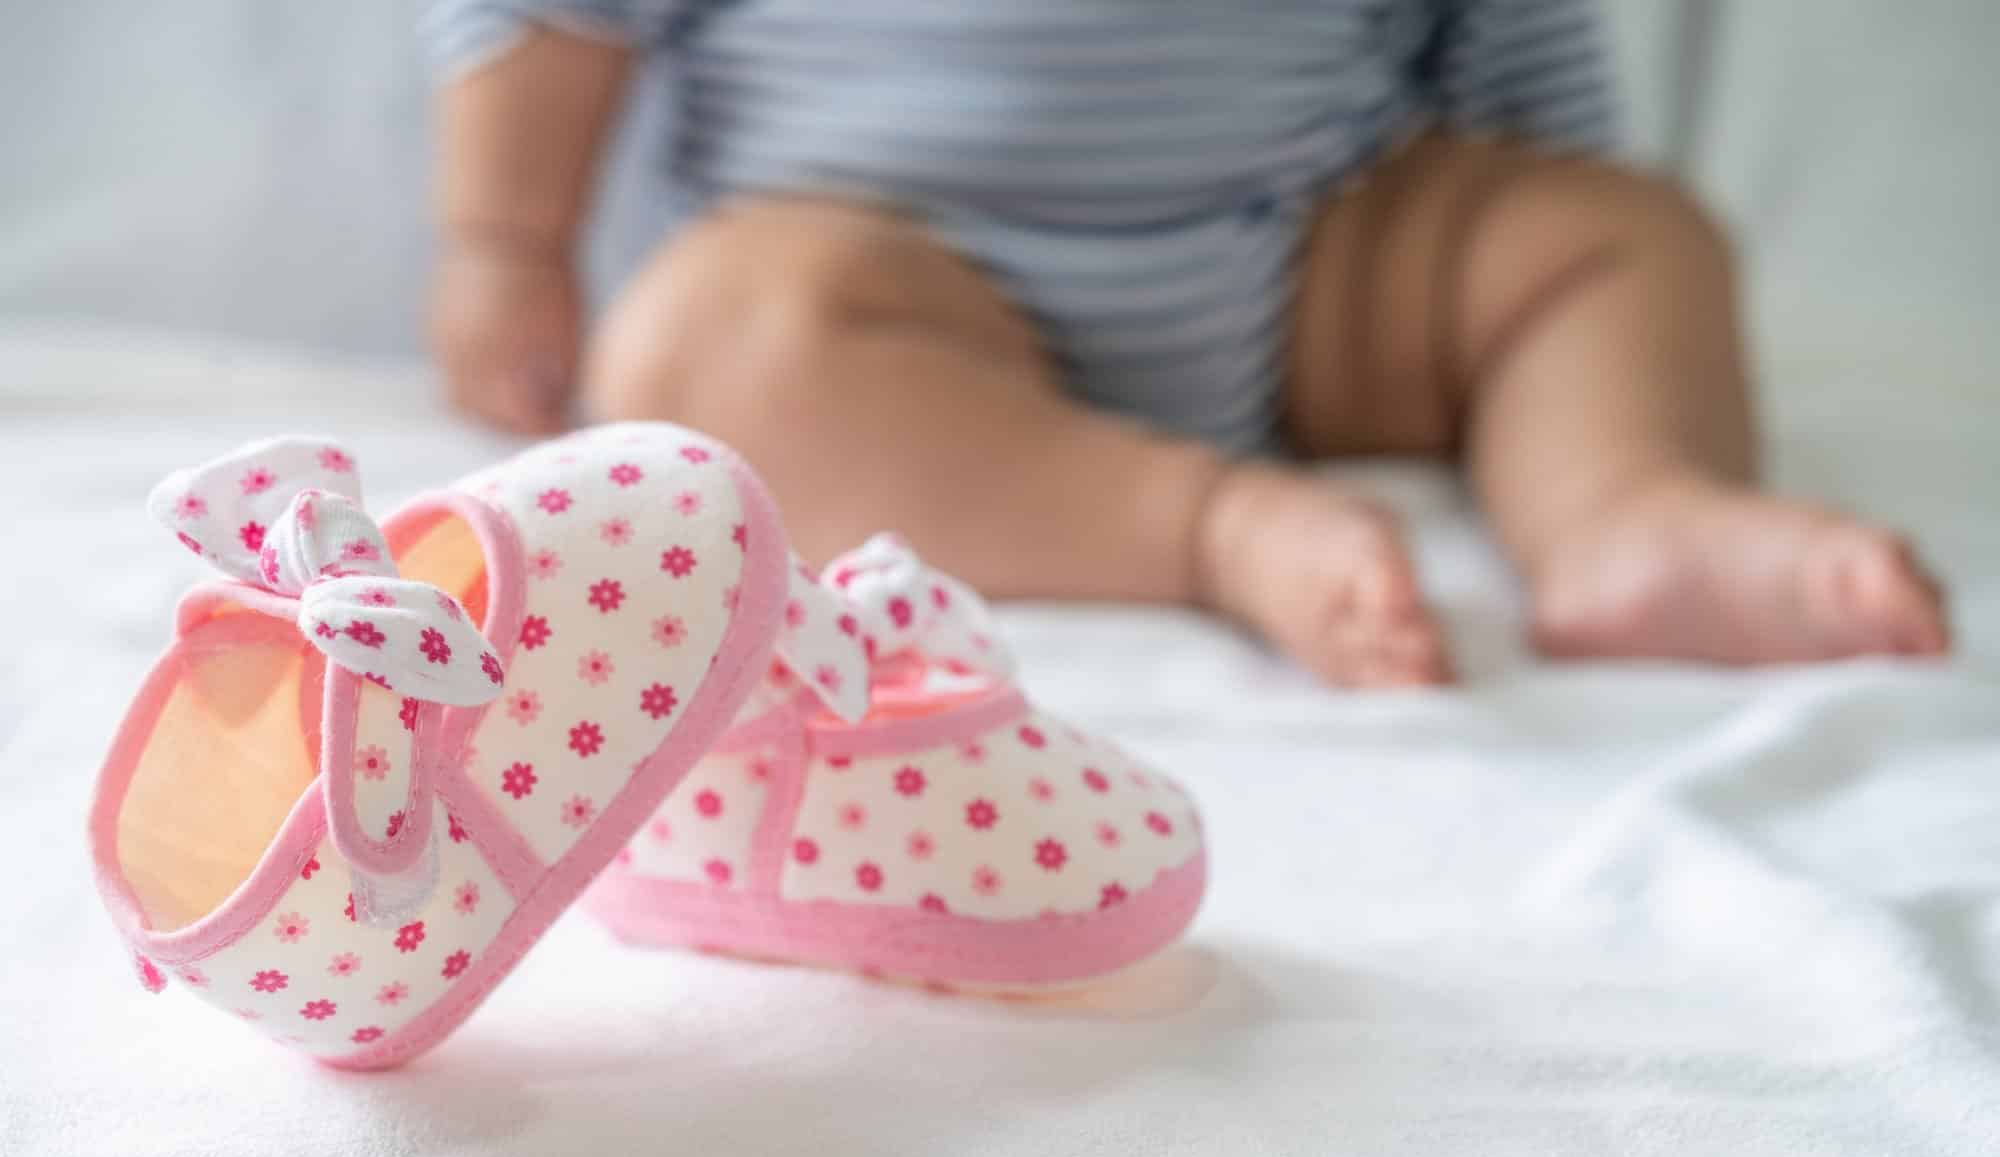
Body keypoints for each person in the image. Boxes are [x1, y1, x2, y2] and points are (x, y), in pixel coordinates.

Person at [427, 0, 1948, 687]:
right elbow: (548, 17)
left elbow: (1507, 59)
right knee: (695, 350)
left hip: (1312, 274)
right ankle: (1207, 529)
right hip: (902, 304)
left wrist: (1529, 255)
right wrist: (505, 243)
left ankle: (1622, 507)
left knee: (1622, 234)